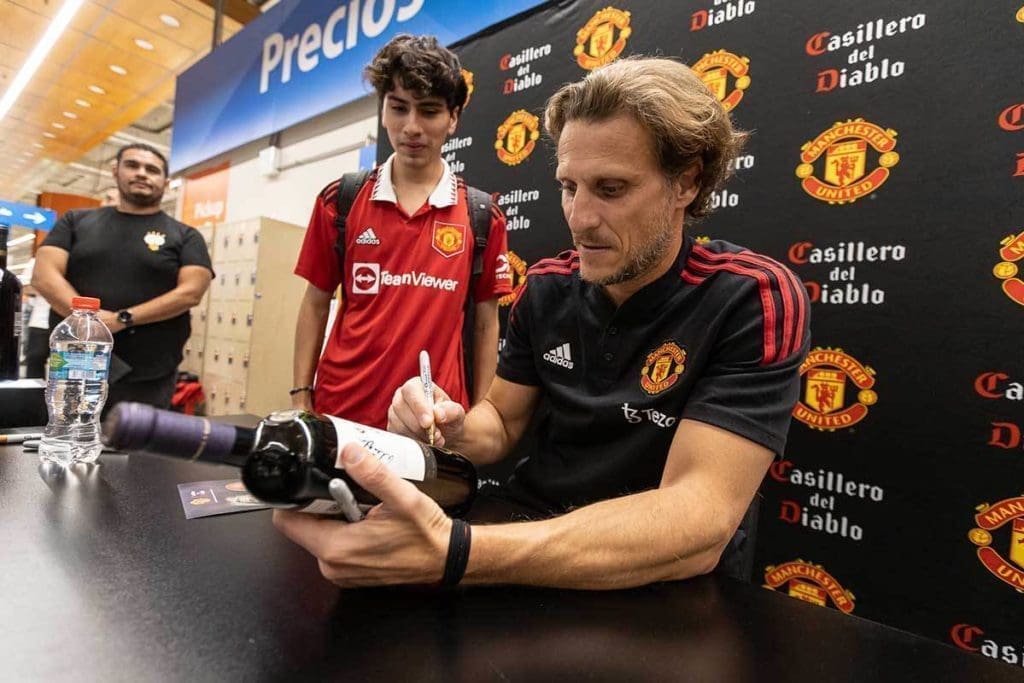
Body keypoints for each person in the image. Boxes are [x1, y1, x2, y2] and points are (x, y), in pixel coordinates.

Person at [273, 57, 811, 589]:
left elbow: (697, 520)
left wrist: (457, 552)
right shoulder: (548, 286)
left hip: (662, 591)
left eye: (611, 189)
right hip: (523, 547)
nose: (580, 218)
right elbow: (501, 424)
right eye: (569, 187)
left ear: (686, 183)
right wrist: (450, 426)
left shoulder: (751, 298)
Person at [291, 34, 511, 428]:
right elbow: (315, 303)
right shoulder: (339, 200)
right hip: (341, 412)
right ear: (383, 111)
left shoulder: (482, 216)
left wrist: (480, 416)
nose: (411, 127)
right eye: (398, 107)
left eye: (429, 111)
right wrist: (301, 396)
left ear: (453, 118)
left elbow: (485, 324)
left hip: (432, 422)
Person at [32, 143, 212, 416]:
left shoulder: (185, 236)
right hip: (78, 361)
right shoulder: (75, 222)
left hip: (150, 373)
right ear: (115, 171)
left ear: (165, 182)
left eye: (152, 169)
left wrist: (122, 319)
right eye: (132, 165)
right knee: (72, 435)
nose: (142, 173)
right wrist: (89, 320)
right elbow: (44, 276)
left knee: (139, 442)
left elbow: (191, 292)